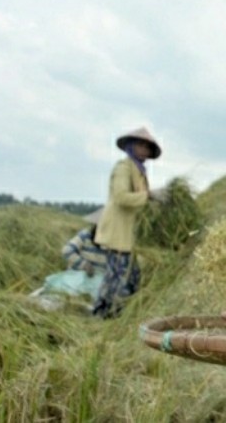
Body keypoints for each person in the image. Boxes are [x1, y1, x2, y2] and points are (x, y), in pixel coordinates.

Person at [92, 126, 163, 318]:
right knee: (116, 278)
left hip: (128, 234)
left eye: (148, 147)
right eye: (141, 146)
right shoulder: (123, 168)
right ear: (132, 146)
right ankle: (103, 314)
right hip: (117, 233)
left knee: (132, 277)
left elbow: (140, 198)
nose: (145, 150)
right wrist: (148, 195)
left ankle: (119, 313)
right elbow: (121, 197)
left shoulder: (139, 171)